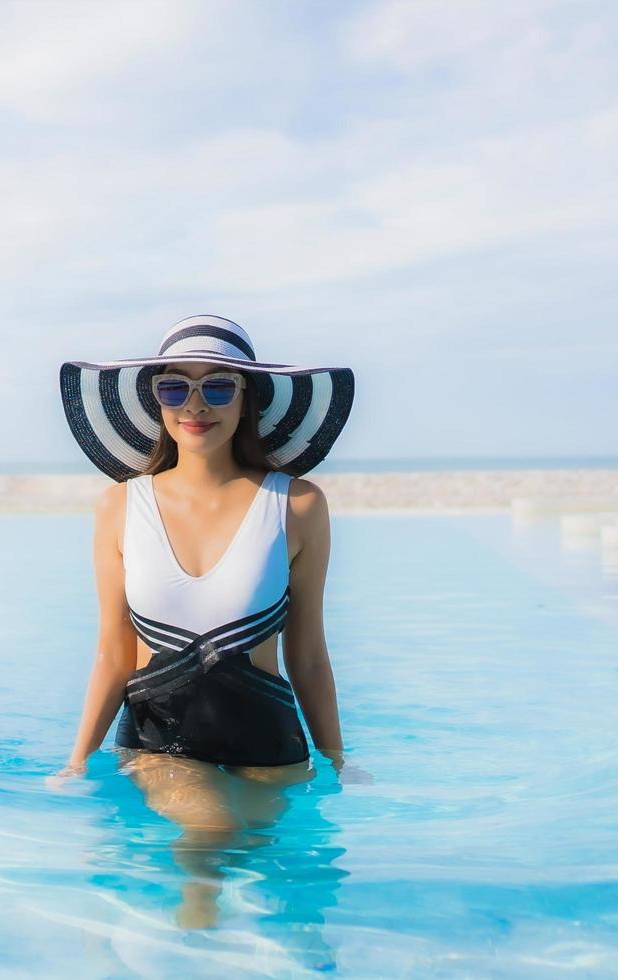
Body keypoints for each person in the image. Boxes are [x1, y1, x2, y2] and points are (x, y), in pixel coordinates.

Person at [51, 313, 369, 928]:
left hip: (271, 744)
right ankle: (181, 949)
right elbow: (113, 652)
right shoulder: (122, 504)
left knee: (277, 885)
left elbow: (307, 653)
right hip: (161, 738)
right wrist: (75, 759)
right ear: (157, 400)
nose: (196, 404)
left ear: (247, 398)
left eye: (218, 386)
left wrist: (336, 758)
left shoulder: (298, 502)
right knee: (211, 831)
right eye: (176, 387)